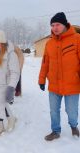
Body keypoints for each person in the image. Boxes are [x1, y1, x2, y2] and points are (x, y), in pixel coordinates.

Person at [38, 12, 80, 141]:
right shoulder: (49, 43)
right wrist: (41, 79)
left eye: (57, 24)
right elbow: (45, 63)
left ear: (64, 24)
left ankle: (74, 126)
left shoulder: (77, 38)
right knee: (53, 110)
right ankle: (55, 131)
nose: (54, 28)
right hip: (54, 85)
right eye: (52, 25)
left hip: (72, 83)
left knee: (71, 111)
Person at [0, 30, 20, 136]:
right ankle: (4, 123)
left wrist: (11, 88)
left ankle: (8, 121)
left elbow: (15, 73)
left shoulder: (11, 55)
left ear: (2, 42)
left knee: (2, 105)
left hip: (4, 85)